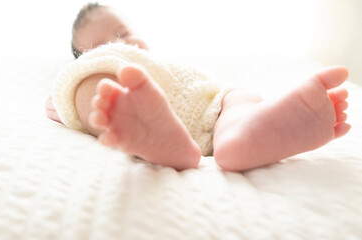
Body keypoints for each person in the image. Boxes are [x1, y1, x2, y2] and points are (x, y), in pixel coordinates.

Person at [46, 3, 351, 171]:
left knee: (238, 96)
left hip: (210, 102)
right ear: (85, 54)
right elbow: (64, 96)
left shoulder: (167, 66)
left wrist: (228, 99)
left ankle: (243, 137)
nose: (122, 43)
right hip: (138, 108)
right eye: (105, 42)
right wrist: (66, 101)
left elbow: (206, 87)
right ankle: (151, 134)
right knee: (87, 87)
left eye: (124, 32)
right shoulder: (97, 65)